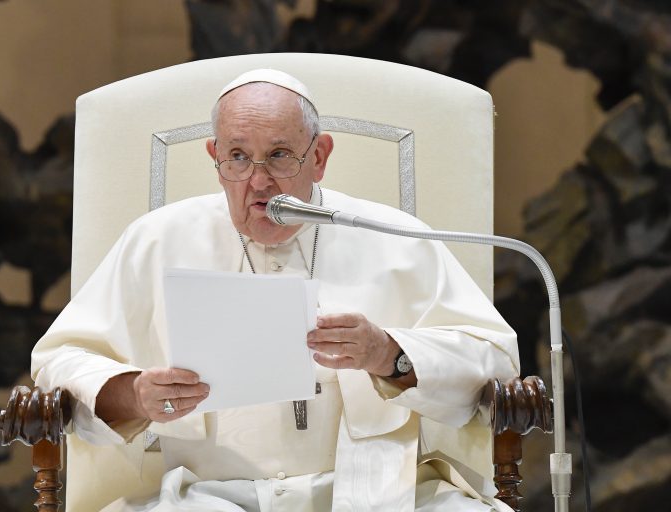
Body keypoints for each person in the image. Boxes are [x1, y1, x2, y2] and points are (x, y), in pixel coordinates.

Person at [31, 69, 519, 511]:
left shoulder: (393, 237)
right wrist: (134, 393)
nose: (258, 182)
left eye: (280, 156)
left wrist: (390, 354)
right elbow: (60, 360)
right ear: (214, 157)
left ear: (320, 156)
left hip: (379, 490)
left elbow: (496, 360)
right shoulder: (157, 239)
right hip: (207, 496)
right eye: (237, 157)